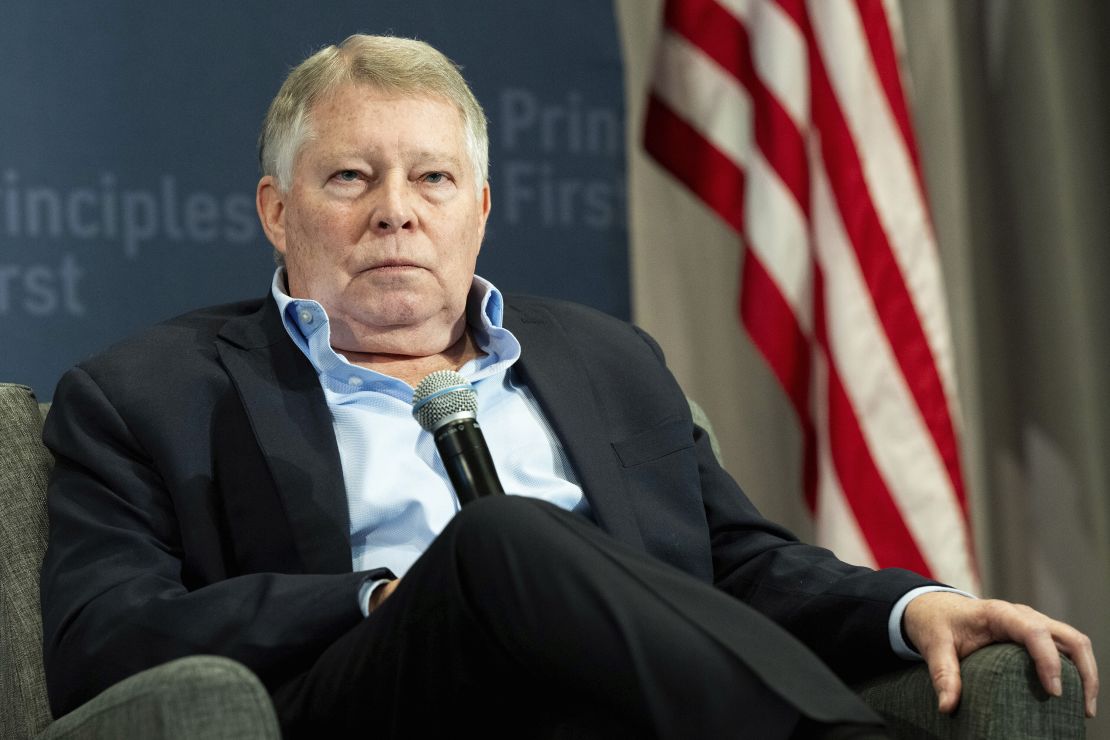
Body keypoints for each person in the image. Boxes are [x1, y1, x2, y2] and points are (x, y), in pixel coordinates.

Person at [40, 34, 1097, 738]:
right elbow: (105, 634)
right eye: (351, 177)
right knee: (502, 537)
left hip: (615, 701)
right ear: (278, 210)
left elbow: (734, 563)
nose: (396, 211)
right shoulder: (147, 392)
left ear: (482, 208)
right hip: (371, 696)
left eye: (433, 178)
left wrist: (911, 605)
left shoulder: (607, 359)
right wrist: (373, 597)